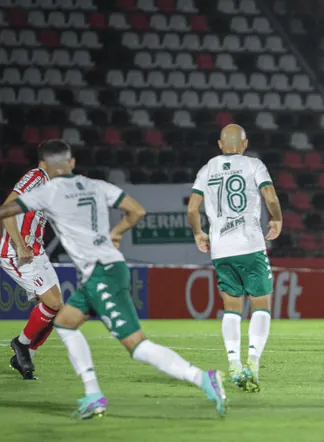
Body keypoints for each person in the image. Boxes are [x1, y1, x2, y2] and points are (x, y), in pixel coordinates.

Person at [0, 140, 227, 419]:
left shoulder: (50, 192)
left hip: (102, 273)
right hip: (107, 268)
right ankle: (93, 394)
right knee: (65, 323)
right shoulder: (96, 185)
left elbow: (6, 210)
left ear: (47, 166)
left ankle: (203, 378)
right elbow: (138, 211)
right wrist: (116, 233)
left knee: (137, 346)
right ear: (72, 163)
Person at [187, 124, 282, 392]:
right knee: (261, 304)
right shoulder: (253, 165)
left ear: (220, 145)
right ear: (245, 143)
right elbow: (270, 196)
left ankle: (233, 363)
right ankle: (252, 362)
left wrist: (198, 234)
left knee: (232, 307)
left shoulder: (207, 169)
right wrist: (277, 218)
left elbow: (193, 208)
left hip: (221, 249)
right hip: (250, 245)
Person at [1, 144, 63, 379]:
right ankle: (21, 344)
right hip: (19, 252)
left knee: (57, 309)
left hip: (36, 252)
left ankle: (24, 356)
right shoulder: (35, 177)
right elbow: (6, 209)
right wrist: (18, 244)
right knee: (52, 303)